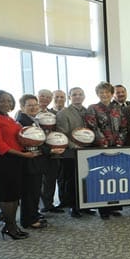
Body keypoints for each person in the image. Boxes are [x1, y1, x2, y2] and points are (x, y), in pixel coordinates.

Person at [0, 90, 39, 240]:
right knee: (7, 195)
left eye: (8, 100)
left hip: (14, 159)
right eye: (1, 101)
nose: (6, 103)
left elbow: (18, 137)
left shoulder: (7, 118)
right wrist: (23, 154)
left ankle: (12, 225)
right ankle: (9, 227)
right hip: (2, 160)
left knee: (14, 194)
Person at [85, 81, 129, 219]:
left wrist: (119, 142)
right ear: (97, 94)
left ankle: (114, 207)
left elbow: (123, 127)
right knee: (102, 178)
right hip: (100, 147)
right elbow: (93, 127)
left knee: (115, 176)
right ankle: (103, 209)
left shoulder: (118, 108)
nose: (104, 95)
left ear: (111, 94)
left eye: (107, 92)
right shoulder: (92, 108)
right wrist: (103, 142)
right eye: (101, 92)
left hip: (117, 146)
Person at [15, 94, 53, 230]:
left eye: (35, 105)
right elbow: (33, 142)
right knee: (30, 192)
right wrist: (50, 150)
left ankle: (33, 215)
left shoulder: (33, 119)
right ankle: (29, 220)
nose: (33, 107)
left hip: (36, 160)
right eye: (29, 105)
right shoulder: (22, 122)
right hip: (30, 161)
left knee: (35, 190)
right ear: (22, 107)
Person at [56, 87, 88, 218]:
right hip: (71, 152)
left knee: (85, 178)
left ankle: (85, 206)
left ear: (84, 96)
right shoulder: (63, 113)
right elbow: (62, 134)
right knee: (72, 180)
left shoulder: (88, 111)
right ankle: (73, 207)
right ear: (70, 97)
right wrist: (75, 146)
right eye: (74, 95)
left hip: (87, 151)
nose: (77, 97)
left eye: (80, 94)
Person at [36, 89, 63, 214]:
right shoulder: (30, 111)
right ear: (37, 96)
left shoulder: (53, 114)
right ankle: (38, 207)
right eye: (42, 96)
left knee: (51, 178)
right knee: (38, 180)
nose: (45, 99)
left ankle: (48, 204)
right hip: (38, 150)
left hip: (53, 149)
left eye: (48, 97)